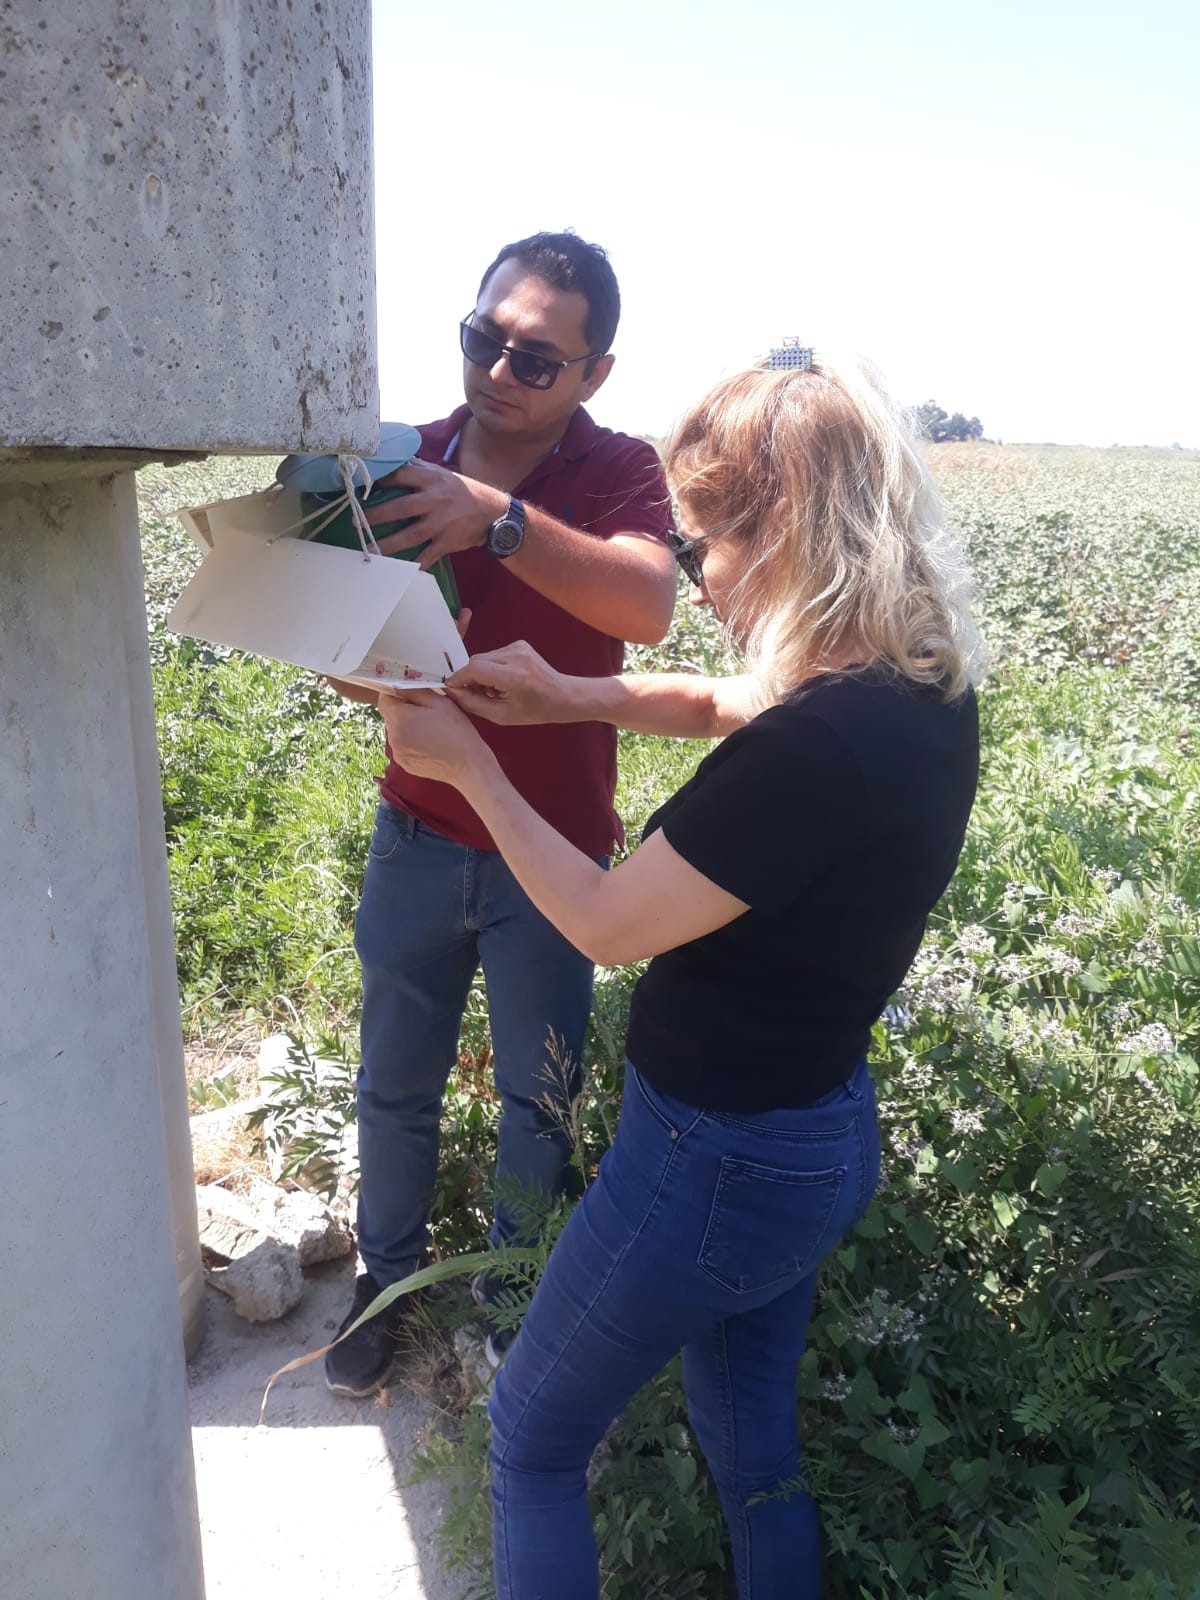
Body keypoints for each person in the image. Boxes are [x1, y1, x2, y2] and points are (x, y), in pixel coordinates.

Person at [376, 349, 981, 1598]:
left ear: (794, 530)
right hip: (818, 1134)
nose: (697, 578)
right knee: (753, 1445)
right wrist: (561, 698)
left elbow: (602, 921)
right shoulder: (914, 691)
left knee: (533, 1436)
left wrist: (472, 766)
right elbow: (724, 698)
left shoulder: (813, 753)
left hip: (708, 1162)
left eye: (705, 541)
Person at [324, 232, 676, 1398]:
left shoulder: (618, 468)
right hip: (416, 831)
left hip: (555, 862)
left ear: (594, 374)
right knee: (393, 1081)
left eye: (537, 359)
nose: (500, 372)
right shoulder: (406, 462)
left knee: (539, 1097)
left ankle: (512, 1304)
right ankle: (385, 1289)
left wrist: (499, 522)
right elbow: (342, 646)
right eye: (486, 340)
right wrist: (346, 658)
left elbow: (648, 603)